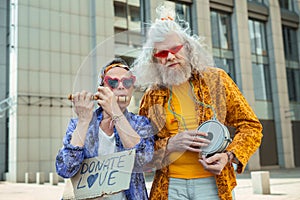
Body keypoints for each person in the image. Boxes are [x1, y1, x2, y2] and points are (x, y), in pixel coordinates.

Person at [132, 5, 263, 200]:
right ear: (154, 60)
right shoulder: (152, 95)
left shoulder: (217, 80)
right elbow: (141, 147)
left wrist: (229, 156)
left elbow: (251, 126)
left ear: (189, 47)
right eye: (161, 54)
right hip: (169, 186)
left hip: (214, 184)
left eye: (175, 49)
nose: (169, 57)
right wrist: (170, 145)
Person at [56, 58, 154, 200]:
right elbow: (66, 168)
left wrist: (115, 113)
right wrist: (83, 121)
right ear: (101, 89)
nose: (121, 87)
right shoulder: (78, 124)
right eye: (113, 82)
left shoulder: (140, 124)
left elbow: (145, 160)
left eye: (127, 82)